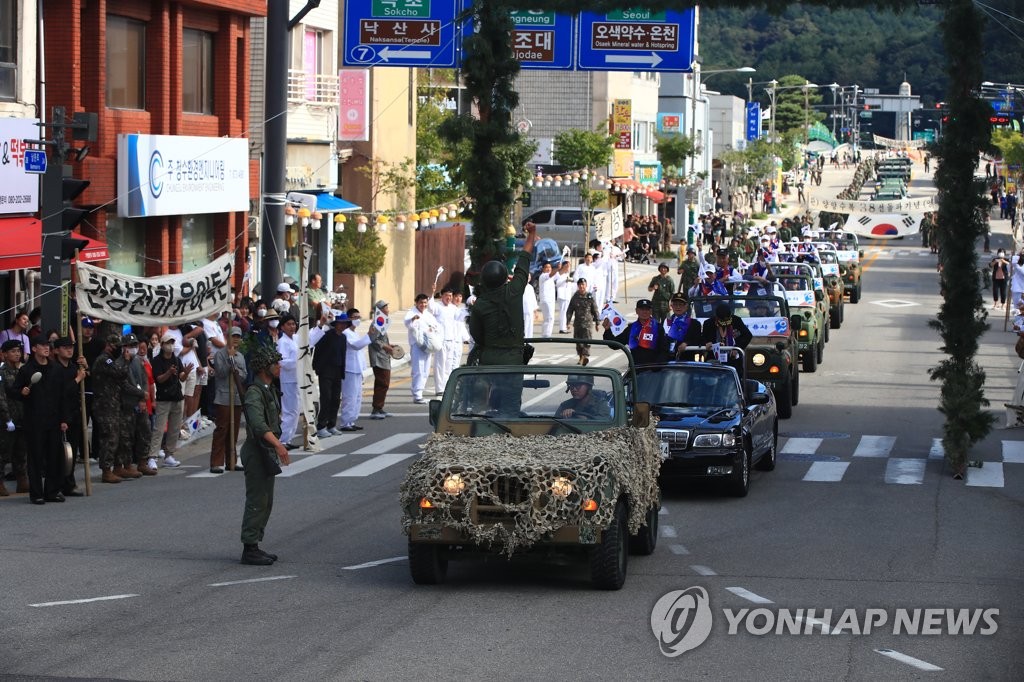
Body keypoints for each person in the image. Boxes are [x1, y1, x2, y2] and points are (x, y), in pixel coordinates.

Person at [239, 342, 290, 566]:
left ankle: (256, 544)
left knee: (266, 501)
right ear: (263, 368)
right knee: (257, 501)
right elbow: (258, 425)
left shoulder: (268, 390)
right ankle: (249, 548)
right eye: (274, 363)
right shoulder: (254, 393)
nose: (278, 366)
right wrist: (278, 445)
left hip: (265, 450)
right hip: (256, 450)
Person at [468, 222, 538, 365]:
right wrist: (531, 234)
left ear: (484, 281)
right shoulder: (514, 290)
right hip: (514, 362)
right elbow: (524, 259)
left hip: (489, 361)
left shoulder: (479, 305)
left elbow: (477, 335)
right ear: (506, 277)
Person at [10, 336, 67, 503]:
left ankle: (52, 491)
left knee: (54, 456)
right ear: (34, 349)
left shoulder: (55, 369)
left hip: (54, 419)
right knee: (35, 457)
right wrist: (22, 392)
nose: (46, 348)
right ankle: (36, 493)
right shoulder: (26, 370)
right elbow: (13, 391)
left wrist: (64, 419)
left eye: (47, 345)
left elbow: (62, 396)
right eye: (42, 345)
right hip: (34, 421)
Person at [149, 332, 189, 468]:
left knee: (174, 429)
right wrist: (168, 373)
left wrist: (187, 372)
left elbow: (182, 377)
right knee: (159, 428)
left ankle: (169, 455)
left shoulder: (176, 359)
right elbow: (159, 379)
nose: (170, 346)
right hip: (163, 398)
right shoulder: (157, 361)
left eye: (172, 343)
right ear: (162, 345)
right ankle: (152, 456)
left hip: (177, 397)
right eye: (168, 343)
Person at [210, 327, 247, 474]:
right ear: (227, 337)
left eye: (238, 336)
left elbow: (243, 375)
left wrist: (235, 364)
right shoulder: (220, 354)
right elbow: (221, 372)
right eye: (234, 336)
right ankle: (216, 462)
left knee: (234, 430)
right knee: (222, 429)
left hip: (236, 396)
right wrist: (229, 359)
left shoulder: (241, 356)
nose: (236, 339)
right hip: (223, 395)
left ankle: (231, 460)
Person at [120, 334, 154, 477]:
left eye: (135, 345)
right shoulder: (121, 363)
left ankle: (142, 462)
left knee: (145, 432)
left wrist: (144, 395)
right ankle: (127, 465)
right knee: (128, 436)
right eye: (130, 346)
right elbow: (125, 384)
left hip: (140, 402)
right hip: (127, 403)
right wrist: (140, 394)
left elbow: (144, 379)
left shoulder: (138, 362)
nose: (134, 349)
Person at [310, 308, 347, 436]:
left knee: (336, 398)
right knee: (326, 397)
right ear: (336, 324)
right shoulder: (327, 336)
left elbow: (343, 355)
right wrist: (316, 367)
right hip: (326, 370)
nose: (342, 326)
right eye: (341, 323)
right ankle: (321, 426)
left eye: (345, 324)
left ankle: (332, 424)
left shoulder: (343, 338)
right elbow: (318, 351)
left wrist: (342, 370)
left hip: (337, 370)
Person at [603, 298, 669, 365]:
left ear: (651, 311)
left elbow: (664, 350)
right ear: (636, 311)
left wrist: (656, 368)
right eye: (642, 309)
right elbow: (615, 344)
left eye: (647, 309)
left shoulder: (658, 328)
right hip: (636, 370)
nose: (645, 312)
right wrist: (607, 330)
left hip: (653, 371)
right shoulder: (631, 328)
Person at [0, 340, 29, 494]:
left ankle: (22, 480)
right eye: (12, 351)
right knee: (4, 452)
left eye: (18, 351)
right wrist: (6, 419)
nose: (17, 354)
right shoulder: (1, 373)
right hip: (7, 419)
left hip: (22, 417)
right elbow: (1, 397)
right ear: (4, 354)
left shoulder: (22, 372)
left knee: (21, 451)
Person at [340, 308, 371, 431]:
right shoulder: (346, 332)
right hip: (349, 369)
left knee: (357, 396)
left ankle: (351, 420)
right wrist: (369, 335)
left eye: (359, 317)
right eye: (355, 317)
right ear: (349, 319)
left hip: (357, 369)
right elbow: (356, 346)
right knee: (350, 396)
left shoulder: (355, 333)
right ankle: (345, 422)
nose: (357, 320)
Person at [404, 294, 439, 403]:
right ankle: (417, 394)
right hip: (416, 345)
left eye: (425, 303)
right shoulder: (411, 313)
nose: (423, 305)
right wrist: (413, 319)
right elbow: (407, 323)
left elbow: (435, 326)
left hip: (427, 345)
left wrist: (432, 330)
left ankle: (420, 392)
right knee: (418, 369)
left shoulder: (428, 315)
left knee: (426, 370)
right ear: (416, 303)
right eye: (421, 303)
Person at [429, 287, 462, 395]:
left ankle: (447, 387)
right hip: (441, 341)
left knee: (448, 365)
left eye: (450, 296)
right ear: (442, 296)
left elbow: (462, 316)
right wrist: (432, 291)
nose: (449, 298)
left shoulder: (453, 308)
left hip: (451, 340)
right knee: (440, 365)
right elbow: (430, 306)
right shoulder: (438, 307)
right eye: (447, 295)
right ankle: (439, 389)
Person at [702, 304, 753, 372]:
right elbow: (702, 338)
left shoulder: (736, 320)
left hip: (732, 357)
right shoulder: (708, 323)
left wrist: (737, 348)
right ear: (717, 317)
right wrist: (706, 343)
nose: (724, 322)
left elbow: (748, 335)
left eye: (727, 319)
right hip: (714, 357)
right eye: (722, 320)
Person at [367, 300, 395, 420]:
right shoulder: (376, 323)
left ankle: (380, 408)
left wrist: (390, 345)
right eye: (386, 308)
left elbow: (381, 339)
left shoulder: (382, 322)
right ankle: (376, 409)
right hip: (378, 358)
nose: (388, 310)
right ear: (380, 310)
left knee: (384, 383)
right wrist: (386, 347)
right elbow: (373, 340)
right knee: (382, 383)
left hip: (383, 357)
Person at [276, 314, 300, 448]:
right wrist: (297, 361)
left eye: (293, 324)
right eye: (289, 324)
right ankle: (283, 439)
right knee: (289, 410)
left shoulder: (295, 339)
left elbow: (309, 340)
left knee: (295, 410)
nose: (292, 327)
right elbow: (282, 361)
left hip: (297, 377)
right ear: (283, 327)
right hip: (288, 379)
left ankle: (288, 438)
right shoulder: (282, 342)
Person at [565, 278, 600, 366]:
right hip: (578, 324)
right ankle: (581, 356)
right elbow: (570, 310)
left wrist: (597, 323)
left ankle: (585, 357)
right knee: (578, 342)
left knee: (587, 341)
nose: (581, 286)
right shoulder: (575, 297)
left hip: (587, 324)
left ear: (586, 285)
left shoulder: (589, 296)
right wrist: (568, 322)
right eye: (580, 285)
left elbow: (595, 310)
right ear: (578, 286)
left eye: (583, 284)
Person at [664, 293, 703, 359]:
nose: (678, 307)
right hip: (668, 360)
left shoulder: (694, 324)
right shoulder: (666, 322)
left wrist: (687, 343)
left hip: (686, 360)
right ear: (672, 306)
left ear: (686, 306)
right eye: (675, 304)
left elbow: (698, 341)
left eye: (681, 305)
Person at [556, 260, 574, 334]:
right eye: (566, 266)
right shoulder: (560, 274)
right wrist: (565, 280)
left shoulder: (567, 274)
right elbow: (557, 283)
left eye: (569, 266)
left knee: (566, 312)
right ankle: (562, 328)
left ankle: (564, 327)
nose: (568, 268)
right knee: (563, 312)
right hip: (562, 295)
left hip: (567, 295)